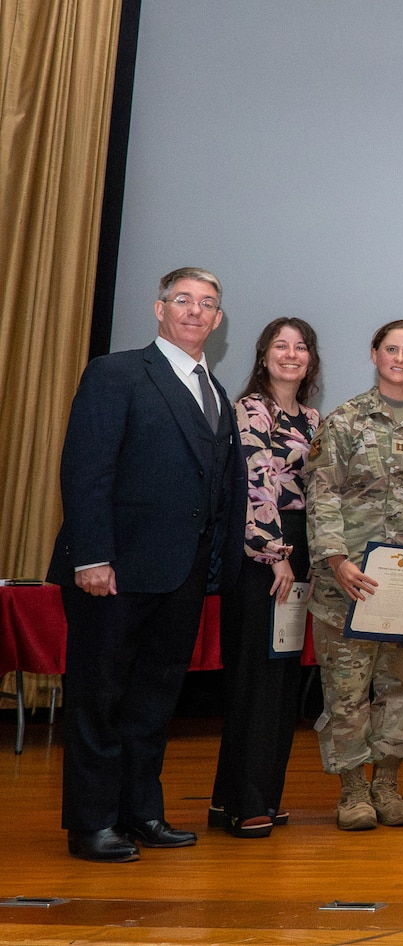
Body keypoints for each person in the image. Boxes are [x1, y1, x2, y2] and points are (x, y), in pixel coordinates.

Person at [49, 267, 247, 862]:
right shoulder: (117, 373)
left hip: (181, 576)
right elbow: (86, 470)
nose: (195, 311)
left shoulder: (216, 391)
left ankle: (141, 812)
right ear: (159, 309)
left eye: (207, 304)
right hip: (113, 572)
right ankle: (91, 824)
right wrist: (92, 556)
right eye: (183, 300)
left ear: (217, 319)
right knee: (100, 698)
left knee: (154, 701)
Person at [304, 319, 403, 831]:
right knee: (347, 691)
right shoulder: (345, 421)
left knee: (402, 689)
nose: (399, 358)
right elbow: (321, 494)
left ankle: (387, 784)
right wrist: (335, 559)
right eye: (390, 349)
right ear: (374, 354)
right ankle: (352, 791)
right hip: (350, 582)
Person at [208, 317, 321, 839]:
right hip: (263, 559)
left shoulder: (314, 418)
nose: (291, 354)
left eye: (301, 347)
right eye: (281, 345)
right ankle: (244, 802)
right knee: (254, 678)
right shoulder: (252, 410)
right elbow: (256, 483)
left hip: (299, 554)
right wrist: (275, 554)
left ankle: (251, 796)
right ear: (263, 354)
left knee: (280, 679)